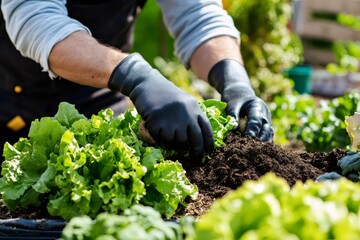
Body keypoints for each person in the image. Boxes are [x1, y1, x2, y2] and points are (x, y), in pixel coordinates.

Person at [0, 0, 273, 161]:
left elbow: (197, 15)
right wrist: (136, 77)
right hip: (11, 97)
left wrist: (234, 80)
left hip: (100, 95)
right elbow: (34, 17)